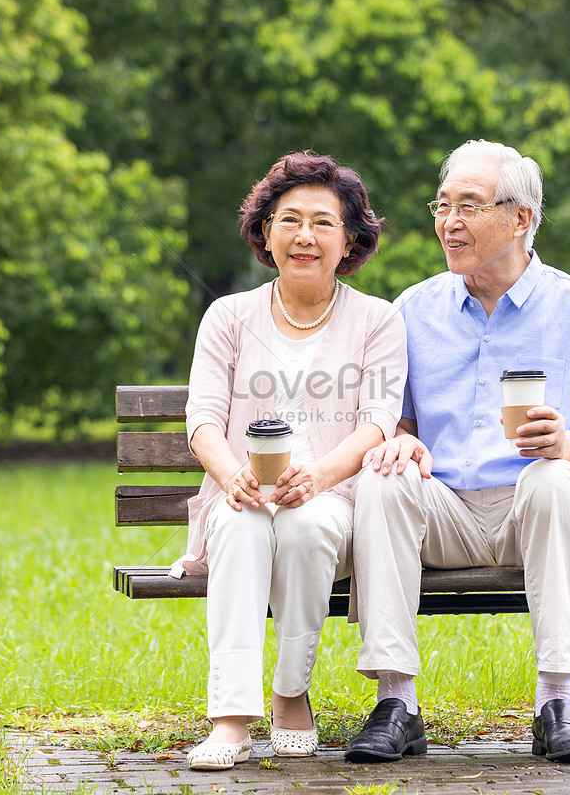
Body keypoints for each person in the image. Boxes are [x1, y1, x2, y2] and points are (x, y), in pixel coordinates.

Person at [344, 139, 570, 765]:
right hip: (444, 508)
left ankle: (557, 703)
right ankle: (397, 703)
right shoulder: (412, 311)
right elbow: (391, 423)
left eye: (469, 207)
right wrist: (400, 445)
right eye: (443, 206)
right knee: (382, 479)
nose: (449, 223)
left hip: (532, 509)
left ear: (521, 219)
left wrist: (564, 444)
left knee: (558, 479)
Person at [176, 151, 407, 771]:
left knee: (306, 527)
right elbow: (201, 419)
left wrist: (322, 476)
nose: (305, 236)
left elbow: (379, 420)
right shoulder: (228, 316)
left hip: (332, 495)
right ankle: (229, 718)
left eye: (323, 223)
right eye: (290, 220)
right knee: (243, 526)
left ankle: (289, 694)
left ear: (350, 238)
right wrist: (232, 476)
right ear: (265, 232)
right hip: (240, 490)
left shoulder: (378, 320)